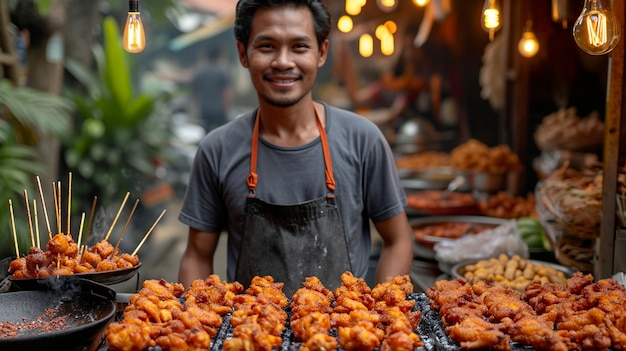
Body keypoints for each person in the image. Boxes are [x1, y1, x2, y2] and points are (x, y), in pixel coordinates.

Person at [177, 0, 413, 295]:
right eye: (267, 46)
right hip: (249, 336)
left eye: (299, 47)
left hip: (344, 333)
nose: (283, 62)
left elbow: (398, 240)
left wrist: (383, 310)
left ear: (321, 53)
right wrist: (193, 324)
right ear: (243, 53)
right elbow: (197, 256)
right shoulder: (217, 150)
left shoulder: (363, 139)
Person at [189, 47, 231, 132]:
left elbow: (195, 94)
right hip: (219, 110)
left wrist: (197, 110)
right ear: (218, 57)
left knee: (206, 135)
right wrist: (227, 108)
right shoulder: (221, 72)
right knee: (223, 134)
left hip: (205, 110)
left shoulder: (200, 73)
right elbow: (225, 93)